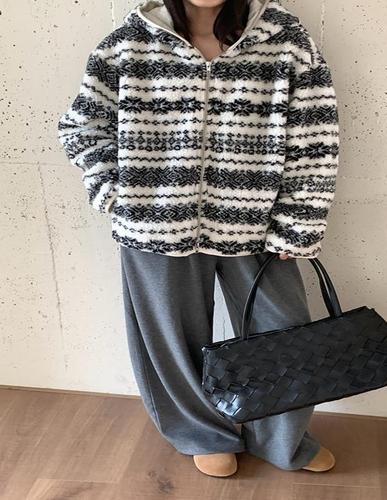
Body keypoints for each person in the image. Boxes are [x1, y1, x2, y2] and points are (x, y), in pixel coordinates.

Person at [57, 0, 339, 477]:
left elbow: (315, 138)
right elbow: (82, 126)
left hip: (258, 227)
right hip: (155, 226)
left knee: (285, 330)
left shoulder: (286, 41)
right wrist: (118, 196)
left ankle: (281, 440)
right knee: (171, 340)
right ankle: (202, 433)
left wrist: (299, 221)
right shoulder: (130, 42)